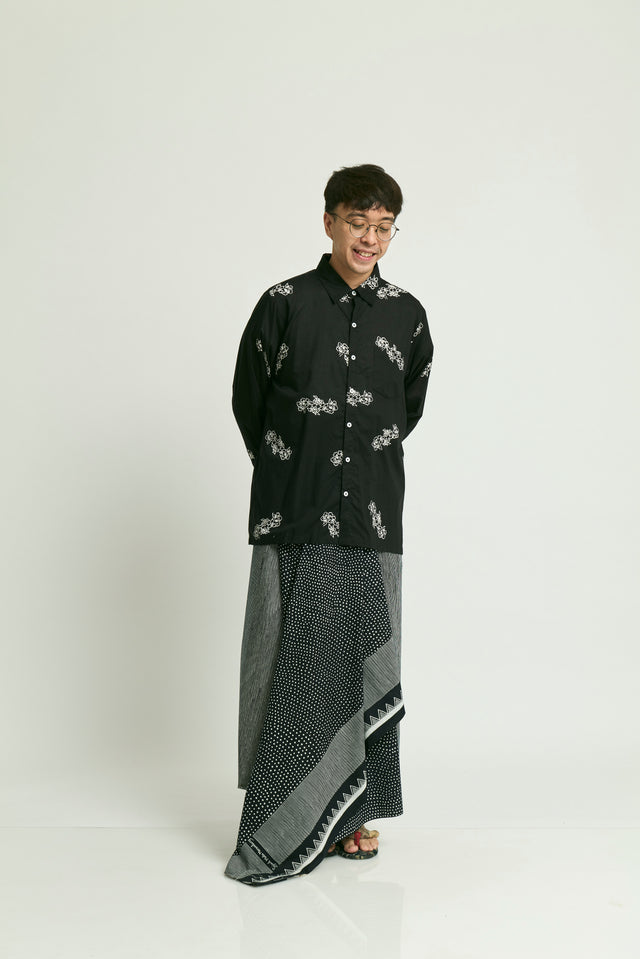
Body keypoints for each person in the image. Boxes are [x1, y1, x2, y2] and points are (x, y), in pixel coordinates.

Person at [225, 164, 433, 885]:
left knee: (364, 655)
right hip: (295, 510)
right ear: (329, 222)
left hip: (372, 517)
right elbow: (249, 401)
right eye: (357, 223)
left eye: (383, 227)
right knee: (292, 660)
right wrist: (298, 464)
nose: (369, 238)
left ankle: (356, 813)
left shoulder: (407, 315)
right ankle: (284, 816)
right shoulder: (283, 304)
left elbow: (407, 406)